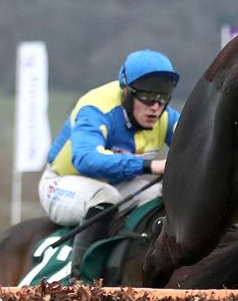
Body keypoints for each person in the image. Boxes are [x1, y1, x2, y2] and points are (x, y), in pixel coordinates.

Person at [38, 49, 180, 278]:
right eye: (147, 96)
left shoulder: (165, 116)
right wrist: (149, 166)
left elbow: (197, 143)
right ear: (126, 91)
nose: (156, 106)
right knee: (104, 197)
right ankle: (79, 280)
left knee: (161, 193)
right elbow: (85, 159)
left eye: (163, 97)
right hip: (62, 183)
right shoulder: (95, 107)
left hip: (117, 184)